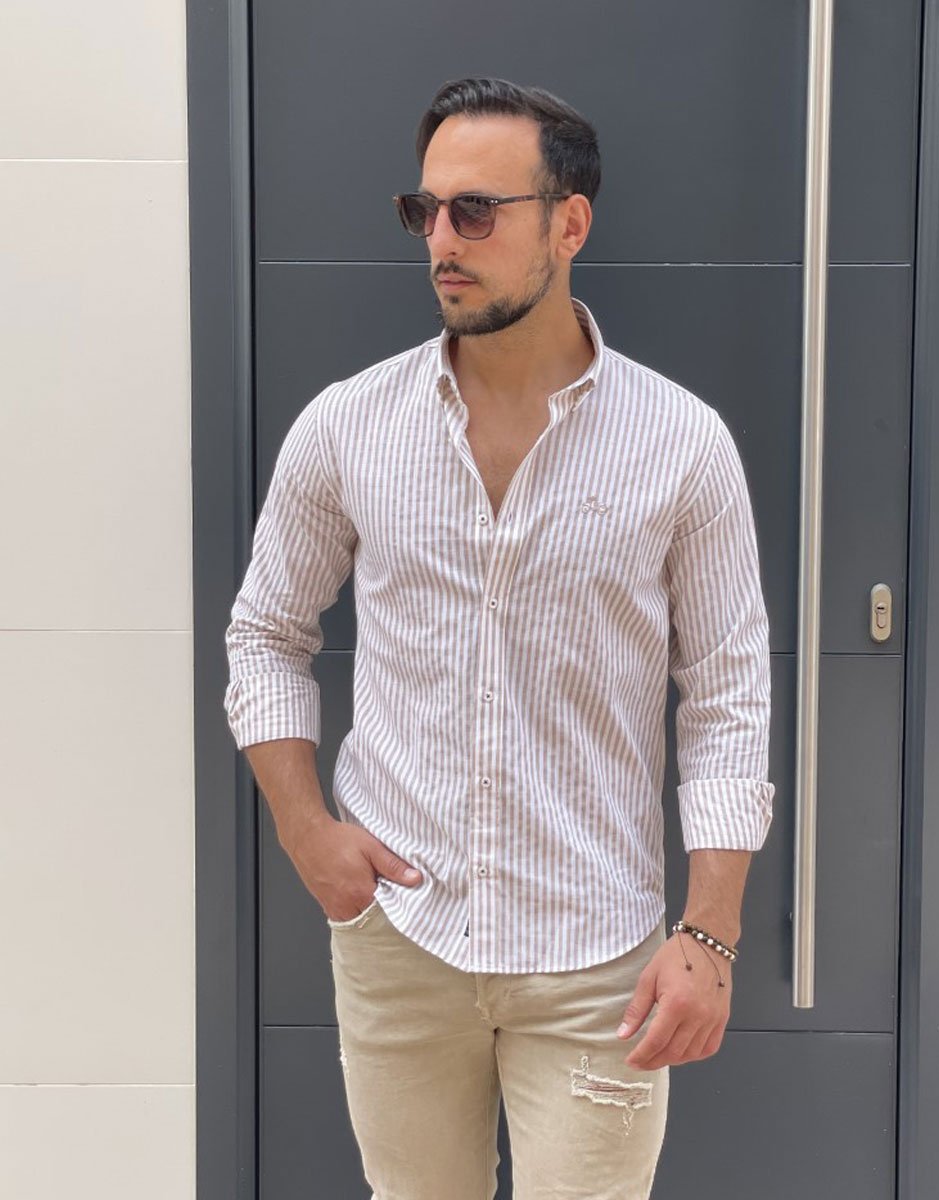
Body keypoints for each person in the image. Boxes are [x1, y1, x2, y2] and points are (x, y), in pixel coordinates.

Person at [224, 76, 775, 1200]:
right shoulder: (349, 426)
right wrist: (306, 831)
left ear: (569, 223)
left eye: (476, 211)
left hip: (598, 958)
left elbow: (727, 697)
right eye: (423, 210)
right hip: (401, 938)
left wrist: (710, 934)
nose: (441, 240)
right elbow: (266, 633)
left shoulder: (682, 444)